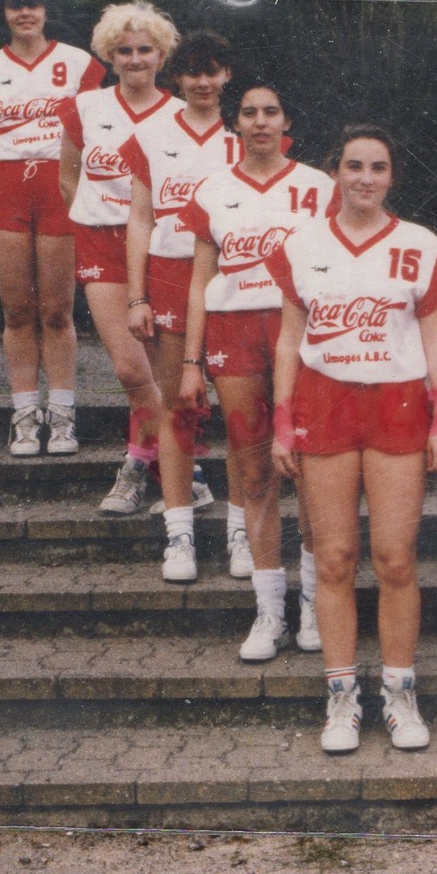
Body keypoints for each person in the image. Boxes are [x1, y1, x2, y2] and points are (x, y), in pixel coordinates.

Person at [266, 126, 437, 754]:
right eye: (354, 166)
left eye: (378, 167)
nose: (365, 178)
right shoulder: (303, 244)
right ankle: (342, 695)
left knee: (396, 559)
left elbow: (434, 338)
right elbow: (289, 340)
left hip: (397, 402)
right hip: (324, 402)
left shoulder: (419, 244)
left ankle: (400, 692)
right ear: (337, 172)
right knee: (333, 559)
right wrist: (281, 422)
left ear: (392, 176)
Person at [176, 84, 337, 647]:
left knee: (314, 471)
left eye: (272, 110)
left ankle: (316, 605)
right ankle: (270, 611)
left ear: (286, 118)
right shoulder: (213, 190)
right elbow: (199, 282)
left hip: (303, 334)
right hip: (235, 335)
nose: (261, 121)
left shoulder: (320, 188)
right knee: (253, 470)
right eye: (250, 112)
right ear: (236, 122)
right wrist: (191, 361)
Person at [123, 34, 274, 594]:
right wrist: (135, 295)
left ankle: (240, 529)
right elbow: (139, 218)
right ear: (177, 79)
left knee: (241, 415)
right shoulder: (153, 134)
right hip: (167, 273)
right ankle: (179, 532)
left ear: (227, 75)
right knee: (176, 408)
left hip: (234, 281)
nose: (203, 83)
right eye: (193, 74)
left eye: (213, 72)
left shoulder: (247, 138)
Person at [0, 0, 104, 456]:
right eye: (15, 6)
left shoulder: (78, 63)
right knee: (17, 310)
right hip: (6, 187)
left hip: (58, 184)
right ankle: (24, 414)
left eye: (34, 5)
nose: (26, 13)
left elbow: (92, 131)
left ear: (46, 10)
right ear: (3, 12)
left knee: (57, 311)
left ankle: (61, 414)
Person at [57, 0, 180, 514]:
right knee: (132, 371)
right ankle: (178, 463)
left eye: (144, 49)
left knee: (162, 372)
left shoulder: (179, 114)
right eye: (123, 50)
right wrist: (92, 211)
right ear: (109, 55)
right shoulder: (85, 106)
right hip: (101, 242)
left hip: (159, 248)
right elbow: (67, 174)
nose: (134, 59)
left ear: (161, 55)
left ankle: (142, 464)